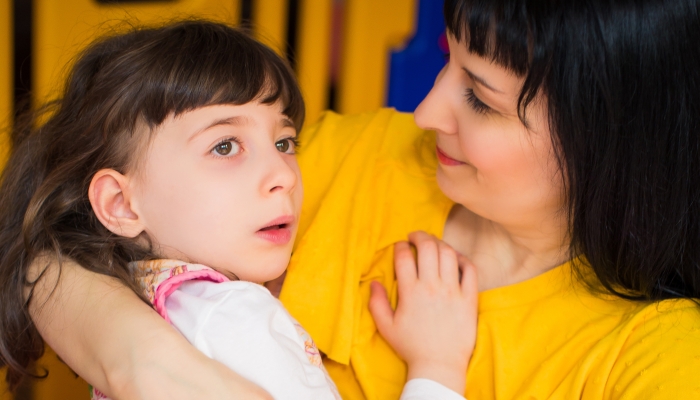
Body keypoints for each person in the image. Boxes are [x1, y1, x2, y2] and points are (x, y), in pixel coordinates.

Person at [4, 0, 700, 398]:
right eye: (446, 60)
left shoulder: (655, 359)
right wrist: (142, 363)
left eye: (479, 99)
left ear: (608, 140)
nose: (426, 111)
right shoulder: (342, 157)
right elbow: (50, 217)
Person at [0, 21, 477, 399]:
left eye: (284, 142)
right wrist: (437, 368)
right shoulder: (236, 320)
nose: (285, 175)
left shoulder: (144, 299)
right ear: (120, 203)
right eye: (225, 146)